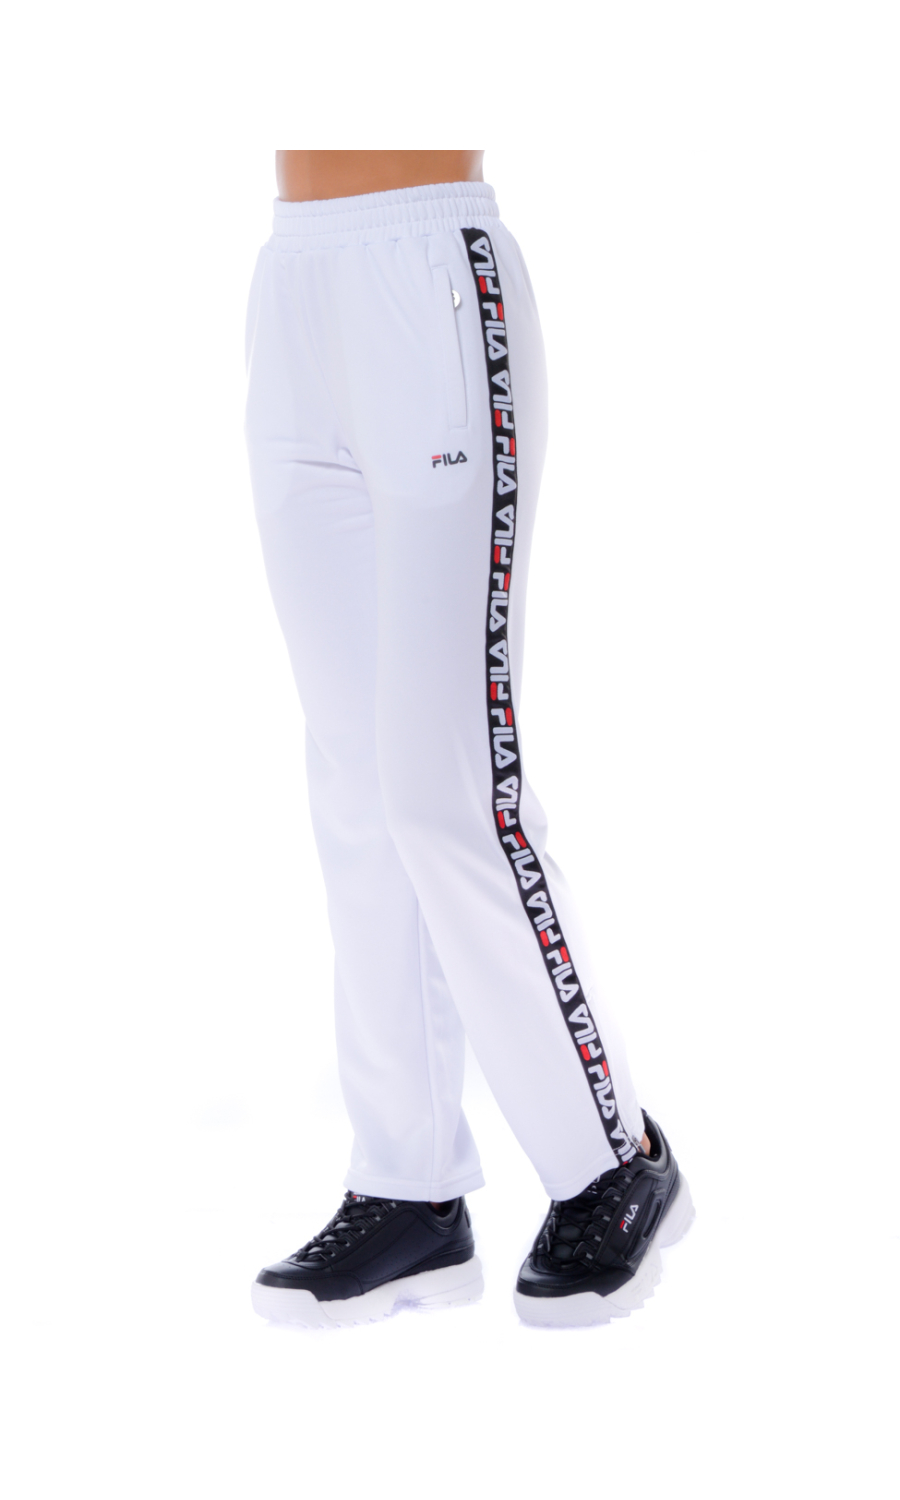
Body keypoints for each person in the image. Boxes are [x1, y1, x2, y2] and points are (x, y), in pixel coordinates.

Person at [244, 150, 693, 1328]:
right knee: (356, 785)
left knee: (450, 785)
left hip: (427, 279)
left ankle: (614, 1156)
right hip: (293, 282)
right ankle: (409, 1188)